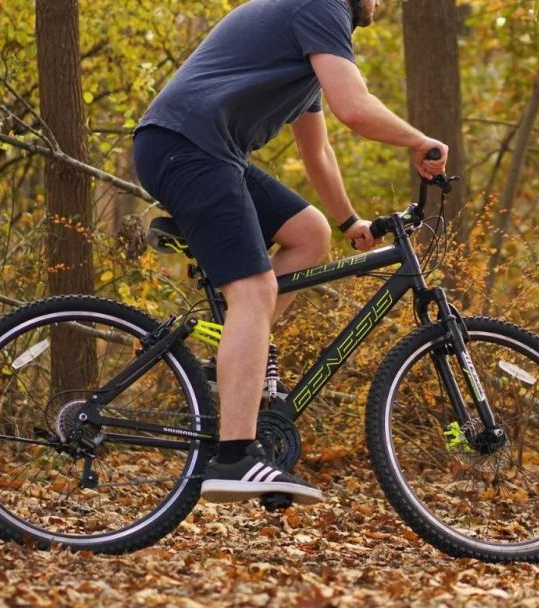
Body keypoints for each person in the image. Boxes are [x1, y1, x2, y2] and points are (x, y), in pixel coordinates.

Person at [132, 0, 448, 505]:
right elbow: (355, 107)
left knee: (309, 233)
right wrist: (419, 141)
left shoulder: (309, 33)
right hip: (189, 148)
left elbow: (316, 149)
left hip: (200, 149)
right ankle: (236, 456)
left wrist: (350, 222)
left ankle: (229, 359)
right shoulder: (319, 6)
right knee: (254, 292)